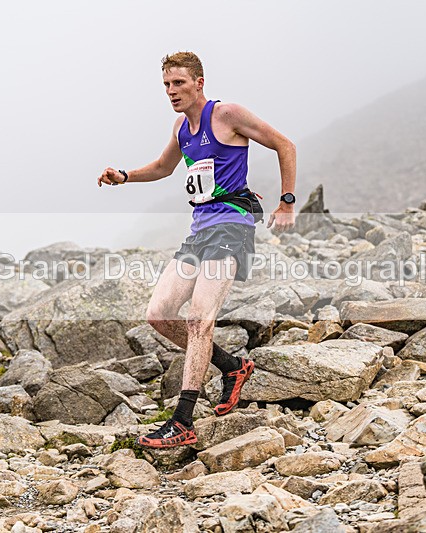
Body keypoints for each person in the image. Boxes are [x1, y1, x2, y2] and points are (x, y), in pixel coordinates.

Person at [98, 52, 297, 448]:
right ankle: (232, 366)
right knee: (158, 314)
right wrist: (124, 177)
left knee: (199, 319)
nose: (172, 92)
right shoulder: (182, 128)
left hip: (232, 226)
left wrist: (287, 201)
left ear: (199, 83)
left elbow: (284, 144)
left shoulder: (226, 115)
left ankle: (183, 420)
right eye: (167, 85)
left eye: (179, 84)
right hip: (200, 231)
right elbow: (162, 167)